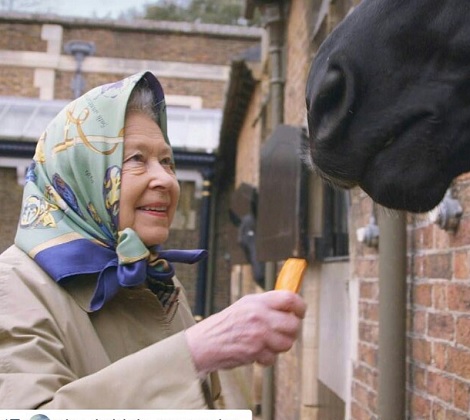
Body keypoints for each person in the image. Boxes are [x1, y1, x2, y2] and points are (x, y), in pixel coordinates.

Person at [0, 71, 306, 409]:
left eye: (166, 161)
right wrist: (195, 352)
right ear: (79, 172)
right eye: (136, 159)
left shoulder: (158, 277)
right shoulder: (12, 287)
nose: (165, 179)